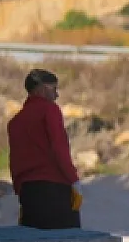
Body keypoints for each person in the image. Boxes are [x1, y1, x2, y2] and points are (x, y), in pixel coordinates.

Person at [7, 68, 82, 229]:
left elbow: (15, 160)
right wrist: (74, 180)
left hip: (28, 192)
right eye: (54, 89)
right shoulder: (50, 110)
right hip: (54, 190)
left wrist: (20, 190)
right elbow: (59, 148)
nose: (57, 95)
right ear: (41, 89)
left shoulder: (15, 122)